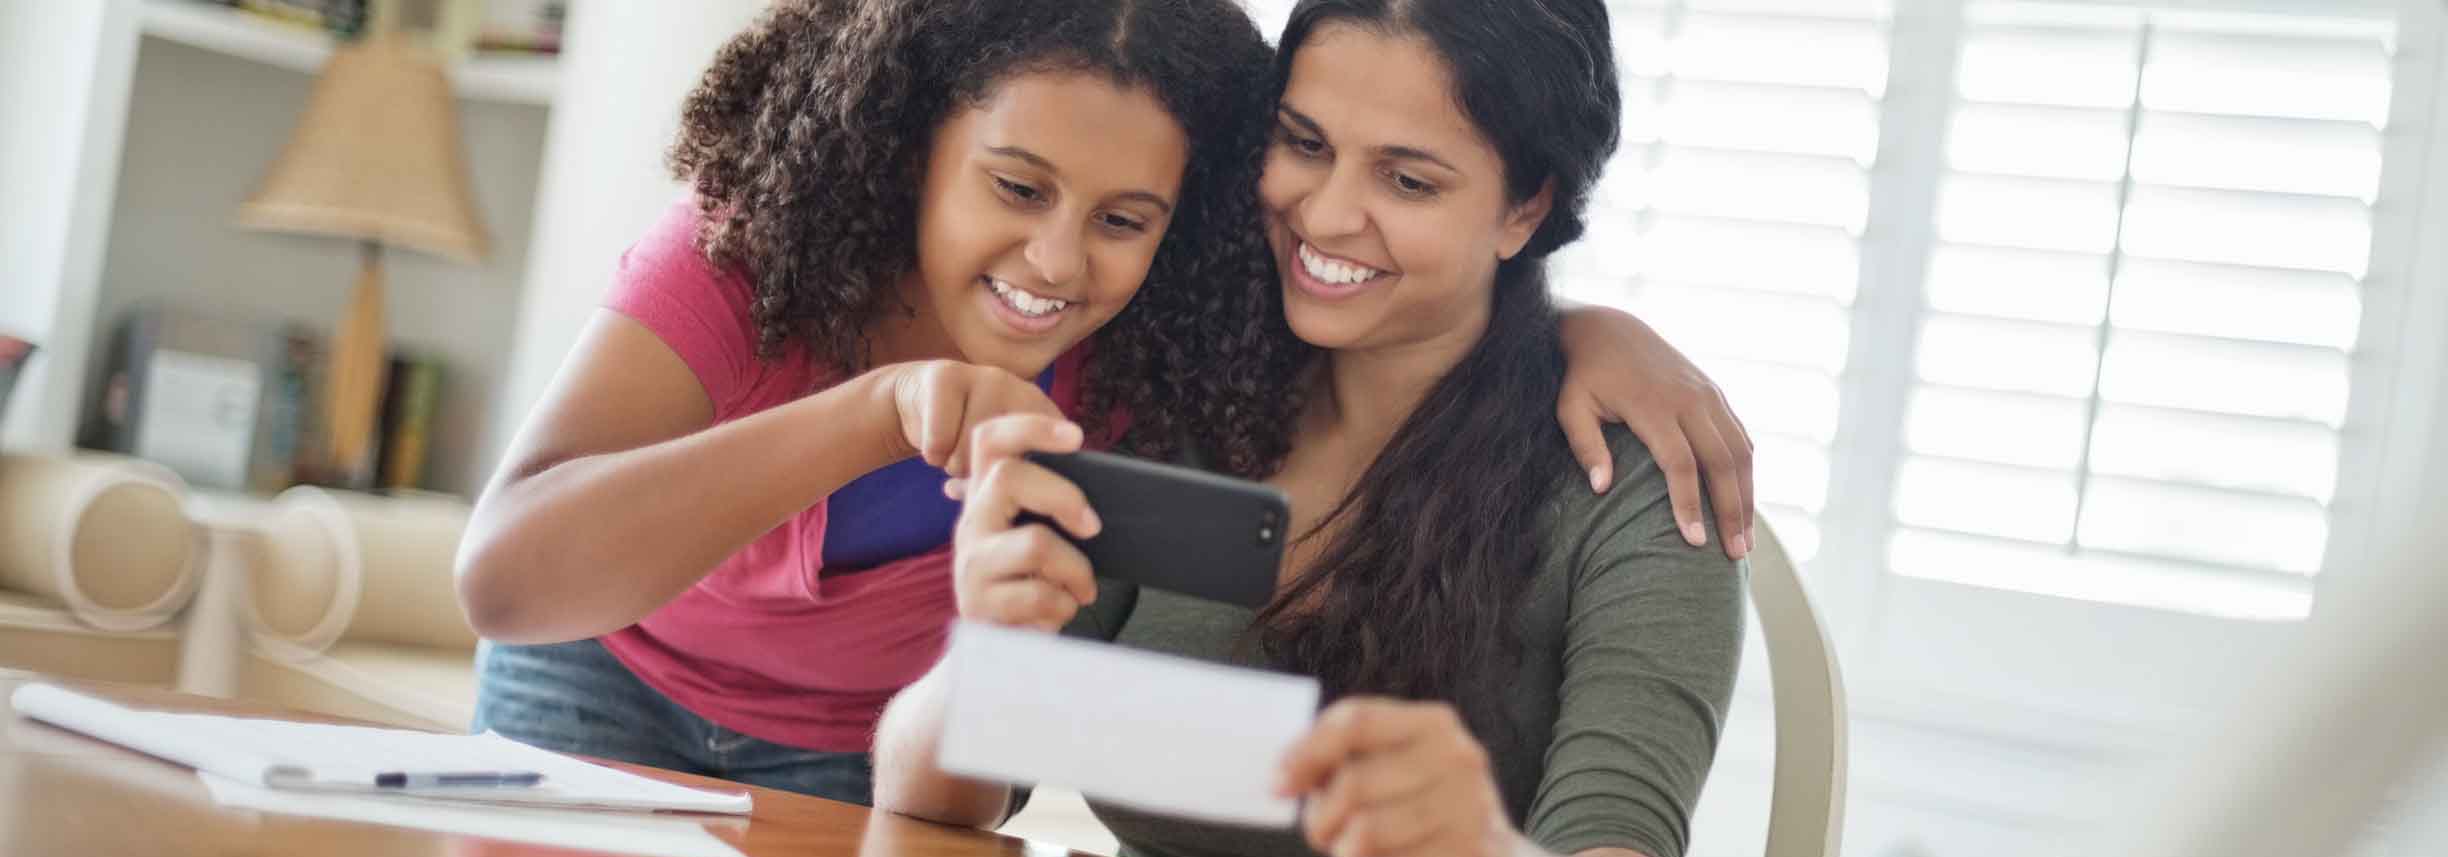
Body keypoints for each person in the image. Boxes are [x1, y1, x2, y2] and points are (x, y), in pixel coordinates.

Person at [458, 0, 1750, 808]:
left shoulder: (1173, 328)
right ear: (914, 145)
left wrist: (1584, 325)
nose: (1060, 265)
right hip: (603, 678)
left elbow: (1413, 292)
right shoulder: (759, 241)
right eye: (1015, 188)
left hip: (865, 757)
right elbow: (508, 580)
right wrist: (879, 407)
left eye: (1124, 218)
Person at [874, 0, 1744, 857]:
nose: (1326, 215)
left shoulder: (1638, 481)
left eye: (1408, 179)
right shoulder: (1185, 387)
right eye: (1303, 144)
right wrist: (989, 645)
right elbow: (929, 798)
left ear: (1525, 208)